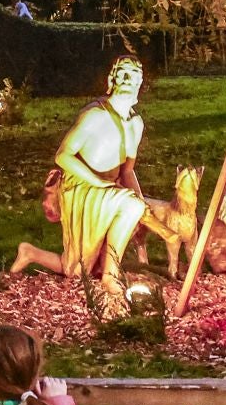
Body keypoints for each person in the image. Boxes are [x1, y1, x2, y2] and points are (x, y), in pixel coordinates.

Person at [9, 56, 146, 305]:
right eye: (122, 73)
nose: (127, 79)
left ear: (140, 81)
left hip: (110, 190)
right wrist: (97, 182)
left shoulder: (136, 124)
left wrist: (141, 203)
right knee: (76, 270)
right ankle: (106, 274)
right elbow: (63, 156)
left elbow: (127, 171)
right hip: (83, 188)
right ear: (112, 79)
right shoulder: (95, 116)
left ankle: (107, 273)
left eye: (133, 75)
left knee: (133, 206)